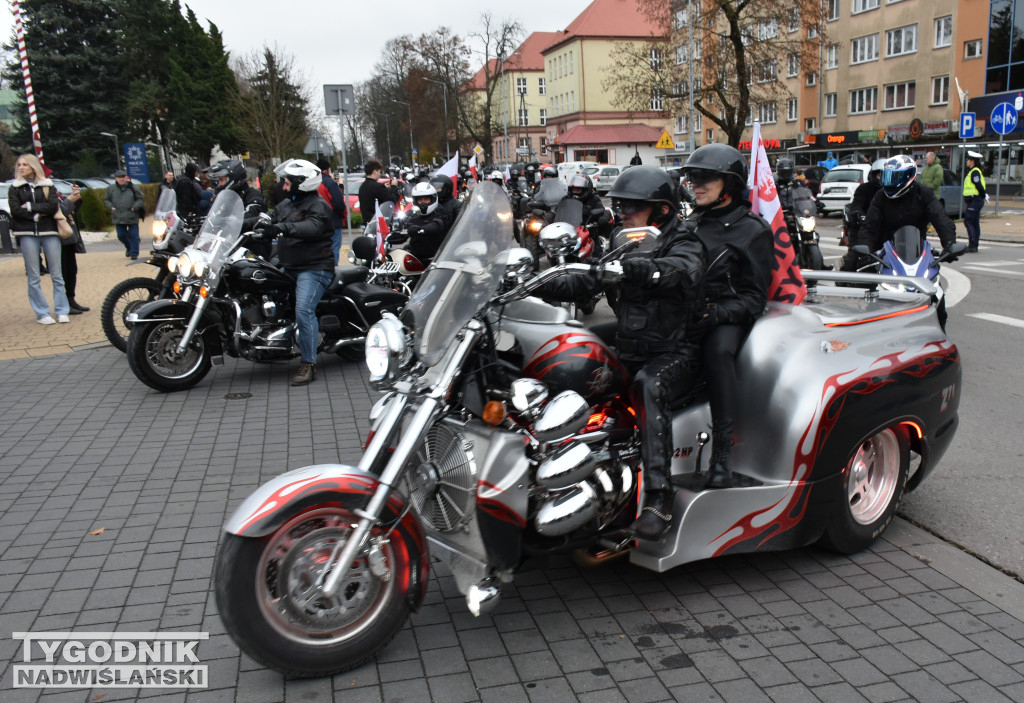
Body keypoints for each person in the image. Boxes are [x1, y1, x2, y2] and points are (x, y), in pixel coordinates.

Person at [537, 166, 705, 539]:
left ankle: (659, 500)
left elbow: (680, 272)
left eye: (632, 206)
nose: (623, 212)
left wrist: (638, 270)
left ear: (661, 210)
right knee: (570, 358)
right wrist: (536, 284)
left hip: (677, 350)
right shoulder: (622, 238)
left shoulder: (685, 242)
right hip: (631, 343)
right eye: (620, 204)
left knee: (649, 385)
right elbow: (589, 277)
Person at [682, 144, 774, 489]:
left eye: (706, 178)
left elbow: (755, 296)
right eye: (692, 177)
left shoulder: (753, 230)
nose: (696, 184)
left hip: (728, 314)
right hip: (686, 312)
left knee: (717, 352)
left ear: (730, 183)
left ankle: (721, 455)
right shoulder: (689, 224)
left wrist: (718, 313)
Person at [254, 160, 334, 386]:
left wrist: (281, 228)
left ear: (302, 184)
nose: (284, 187)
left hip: (314, 268)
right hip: (289, 265)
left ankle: (308, 364)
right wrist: (243, 222)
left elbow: (312, 227)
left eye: (288, 183)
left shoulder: (320, 206)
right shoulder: (287, 204)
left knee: (304, 309)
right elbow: (269, 216)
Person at [8, 153, 70, 324]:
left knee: (57, 274)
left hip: (49, 232)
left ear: (33, 167)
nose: (21, 168)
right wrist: (37, 214)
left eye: (25, 165)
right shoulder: (15, 187)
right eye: (19, 165)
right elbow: (15, 211)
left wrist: (29, 207)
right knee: (34, 275)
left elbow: (52, 206)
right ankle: (42, 313)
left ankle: (62, 310)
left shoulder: (48, 185)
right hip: (27, 233)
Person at [857, 154, 956, 255]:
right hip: (887, 251)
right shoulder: (881, 196)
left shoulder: (923, 194)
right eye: (887, 177)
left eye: (894, 177)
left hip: (918, 252)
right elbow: (869, 225)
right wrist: (865, 249)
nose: (890, 182)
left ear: (908, 176)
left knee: (934, 270)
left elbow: (941, 219)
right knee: (855, 265)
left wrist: (949, 244)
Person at [207, 159, 268, 253]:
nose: (219, 184)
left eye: (222, 180)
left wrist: (230, 221)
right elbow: (218, 215)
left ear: (233, 179)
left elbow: (251, 215)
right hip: (230, 247)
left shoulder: (253, 195)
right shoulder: (229, 200)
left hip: (252, 248)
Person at [840, 158, 886, 271]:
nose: (883, 179)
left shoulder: (894, 191)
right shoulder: (864, 189)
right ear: (874, 175)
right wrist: (860, 215)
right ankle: (845, 280)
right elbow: (856, 205)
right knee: (857, 255)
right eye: (880, 175)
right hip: (865, 228)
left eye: (887, 175)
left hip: (886, 229)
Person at [398, 182, 452, 264]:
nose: (423, 203)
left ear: (433, 199)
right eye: (420, 200)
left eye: (426, 199)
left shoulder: (440, 211)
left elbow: (437, 225)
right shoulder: (414, 211)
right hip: (416, 256)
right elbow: (405, 225)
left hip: (436, 258)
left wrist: (420, 230)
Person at [60, 183, 89, 313]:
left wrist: (76, 199)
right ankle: (64, 303)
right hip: (58, 238)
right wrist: (69, 200)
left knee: (71, 270)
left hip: (69, 238)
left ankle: (71, 300)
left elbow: (70, 212)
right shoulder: (45, 192)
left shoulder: (54, 192)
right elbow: (61, 211)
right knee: (63, 271)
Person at [104, 169, 145, 260]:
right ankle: (129, 247)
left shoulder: (133, 187)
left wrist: (135, 207)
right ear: (116, 178)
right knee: (121, 235)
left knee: (134, 235)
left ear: (126, 177)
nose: (121, 179)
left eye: (123, 177)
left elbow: (141, 199)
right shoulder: (111, 188)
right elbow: (106, 199)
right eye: (119, 177)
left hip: (132, 215)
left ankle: (134, 253)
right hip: (118, 215)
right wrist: (112, 207)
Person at [315, 157, 348, 263]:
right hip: (332, 221)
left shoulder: (313, 183)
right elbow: (339, 203)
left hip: (317, 222)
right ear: (328, 169)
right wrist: (342, 216)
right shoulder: (329, 183)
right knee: (334, 250)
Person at [565, 173, 611, 242]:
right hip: (569, 233)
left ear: (585, 190)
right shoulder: (566, 199)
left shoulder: (594, 199)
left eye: (578, 190)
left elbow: (602, 211)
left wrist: (603, 218)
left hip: (588, 233)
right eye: (573, 190)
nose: (575, 192)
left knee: (595, 249)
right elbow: (558, 210)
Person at [358, 159, 402, 224]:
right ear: (374, 172)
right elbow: (392, 200)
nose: (379, 174)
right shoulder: (377, 187)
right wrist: (394, 186)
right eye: (379, 172)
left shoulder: (362, 186)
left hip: (368, 223)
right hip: (378, 224)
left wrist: (384, 187)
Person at [963, 150, 987, 253]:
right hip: (975, 199)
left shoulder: (975, 172)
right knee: (975, 222)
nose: (967, 161)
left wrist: (982, 196)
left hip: (975, 199)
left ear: (972, 161)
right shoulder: (974, 171)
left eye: (968, 160)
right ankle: (974, 244)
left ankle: (972, 244)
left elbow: (979, 186)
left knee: (968, 220)